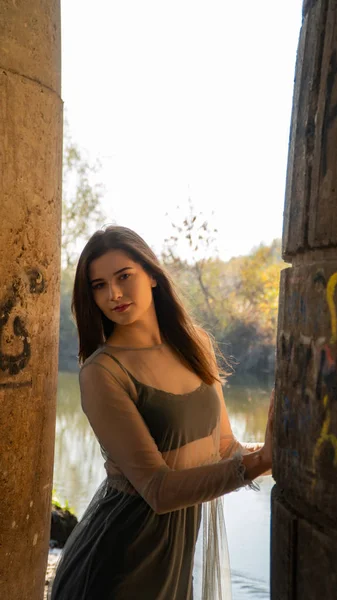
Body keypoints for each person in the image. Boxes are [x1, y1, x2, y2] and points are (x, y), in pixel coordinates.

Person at [49, 225, 274, 600]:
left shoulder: (193, 344)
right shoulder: (102, 372)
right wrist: (263, 459)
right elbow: (157, 490)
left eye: (124, 277)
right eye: (99, 285)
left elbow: (223, 448)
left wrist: (279, 452)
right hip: (120, 561)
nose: (114, 294)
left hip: (175, 558)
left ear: (152, 274)